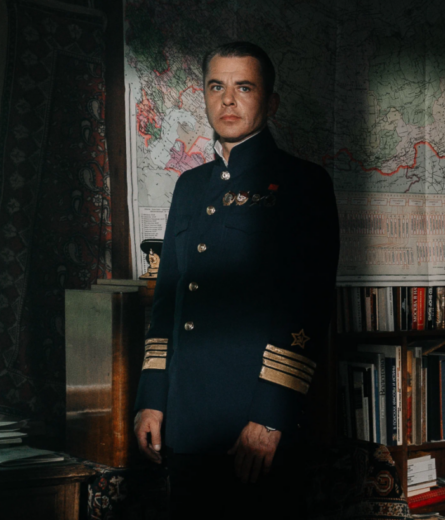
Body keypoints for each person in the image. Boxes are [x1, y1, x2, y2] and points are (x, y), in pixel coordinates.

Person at [133, 41, 339, 519]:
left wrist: (269, 416)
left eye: (244, 87)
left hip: (254, 422)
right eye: (216, 87)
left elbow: (307, 308)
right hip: (185, 419)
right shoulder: (190, 187)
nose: (227, 100)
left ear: (271, 102)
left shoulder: (304, 184)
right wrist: (152, 399)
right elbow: (168, 302)